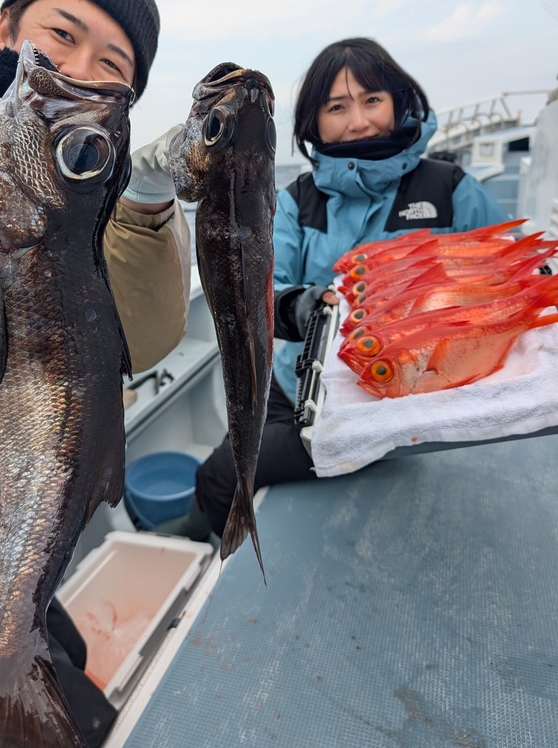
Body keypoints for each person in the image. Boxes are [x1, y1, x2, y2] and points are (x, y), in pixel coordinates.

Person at [0, 0, 191, 748]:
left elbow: (143, 338)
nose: (79, 70)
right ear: (6, 28)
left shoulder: (85, 191)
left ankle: (3, 653)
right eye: (60, 36)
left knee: (58, 650)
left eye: (113, 66)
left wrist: (141, 204)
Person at [155, 36, 511, 542]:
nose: (358, 120)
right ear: (312, 122)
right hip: (294, 385)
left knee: (218, 476)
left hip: (400, 400)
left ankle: (199, 534)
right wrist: (300, 307)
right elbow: (266, 286)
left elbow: (503, 275)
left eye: (372, 100)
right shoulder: (295, 201)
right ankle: (205, 531)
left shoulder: (451, 189)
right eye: (337, 107)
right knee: (221, 472)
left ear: (399, 102)